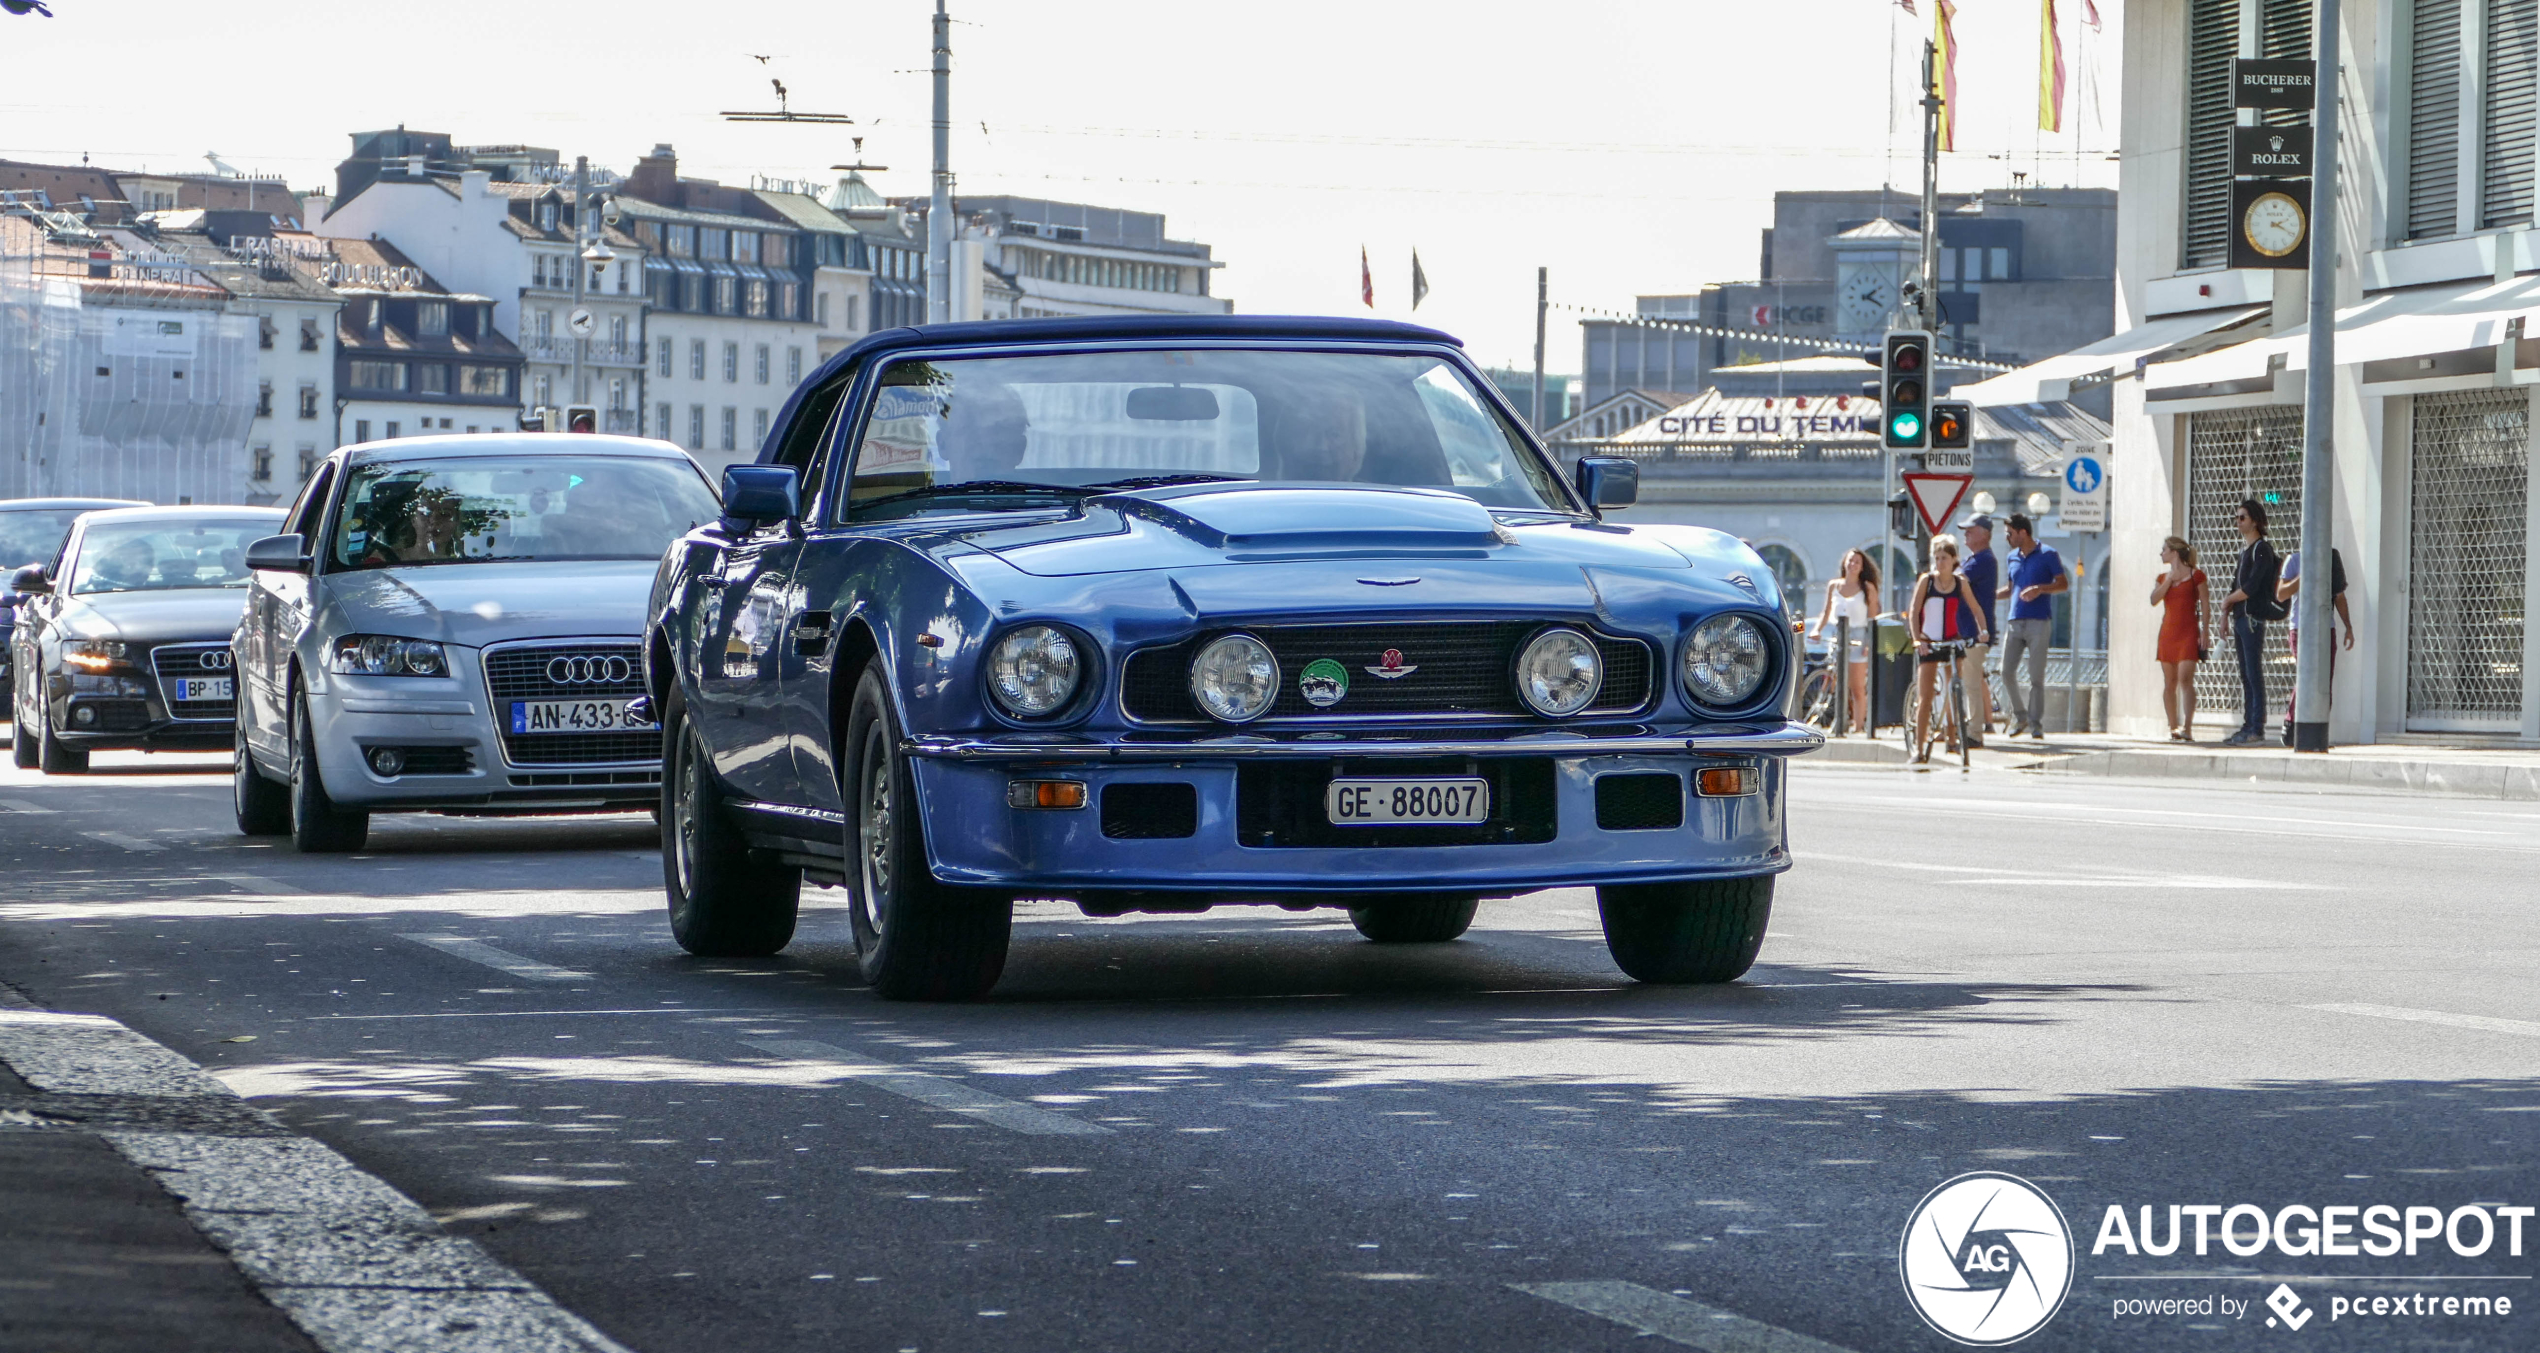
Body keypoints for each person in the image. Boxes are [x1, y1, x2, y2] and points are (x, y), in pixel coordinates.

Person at [1908, 533, 1990, 763]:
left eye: (1944, 558)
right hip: (1929, 641)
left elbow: (1976, 608)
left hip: (1952, 639)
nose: (1940, 562)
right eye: (1937, 558)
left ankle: (1953, 739)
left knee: (1954, 690)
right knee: (1925, 696)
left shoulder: (1960, 582)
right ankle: (1919, 747)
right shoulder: (1927, 581)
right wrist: (1918, 639)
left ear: (1954, 560)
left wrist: (1982, 630)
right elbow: (1914, 611)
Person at [1996, 513, 2068, 738]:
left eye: (2010, 534)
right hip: (2015, 620)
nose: (2007, 538)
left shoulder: (2048, 554)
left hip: (2039, 621)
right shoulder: (2011, 558)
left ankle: (2036, 725)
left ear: (2023, 532)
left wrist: (2039, 589)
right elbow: (2009, 589)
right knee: (2005, 671)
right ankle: (2021, 716)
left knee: (2036, 676)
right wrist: (1984, 597)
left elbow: (2063, 584)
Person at [2217, 499, 2283, 746]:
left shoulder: (2262, 549)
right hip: (2241, 618)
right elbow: (2236, 587)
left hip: (2253, 617)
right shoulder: (2245, 551)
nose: (2238, 522)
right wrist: (2226, 612)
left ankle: (2256, 726)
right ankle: (2247, 725)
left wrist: (2227, 601)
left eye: (2242, 517)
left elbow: (2252, 586)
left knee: (2253, 673)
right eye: (2237, 517)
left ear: (2254, 520)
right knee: (2245, 674)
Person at [2275, 543, 2352, 744]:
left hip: (2326, 627)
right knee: (2306, 676)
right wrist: (2303, 576)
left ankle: (2320, 731)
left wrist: (2348, 627)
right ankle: (2291, 724)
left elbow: (2340, 596)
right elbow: (2281, 593)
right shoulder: (2294, 560)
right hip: (2301, 628)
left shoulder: (2332, 559)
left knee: (2324, 680)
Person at [1807, 547, 1880, 735]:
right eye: (1850, 561)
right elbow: (1826, 611)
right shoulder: (1834, 586)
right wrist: (1816, 630)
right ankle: (1838, 719)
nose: (1853, 565)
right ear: (1844, 564)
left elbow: (1873, 617)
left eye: (1857, 562)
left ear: (1862, 567)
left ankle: (1859, 725)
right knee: (1835, 679)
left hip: (1858, 635)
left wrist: (1868, 643)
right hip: (1837, 634)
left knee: (1856, 685)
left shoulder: (1867, 588)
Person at [2150, 536, 2210, 742]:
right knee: (2170, 682)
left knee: (2186, 678)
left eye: (2164, 549)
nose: (2161, 553)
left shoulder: (2196, 576)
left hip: (2188, 632)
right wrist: (2169, 579)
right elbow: (2153, 600)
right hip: (2168, 633)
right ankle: (2173, 727)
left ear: (2174, 552)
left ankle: (2188, 727)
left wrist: (2205, 631)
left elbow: (2204, 604)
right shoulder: (2162, 577)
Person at [1955, 512, 2001, 745]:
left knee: (1971, 684)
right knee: (1969, 682)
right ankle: (1968, 728)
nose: (1966, 533)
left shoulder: (1983, 560)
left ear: (1984, 535)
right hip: (1968, 631)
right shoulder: (1974, 559)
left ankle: (1974, 733)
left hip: (1976, 632)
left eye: (1971, 530)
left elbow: (1954, 581)